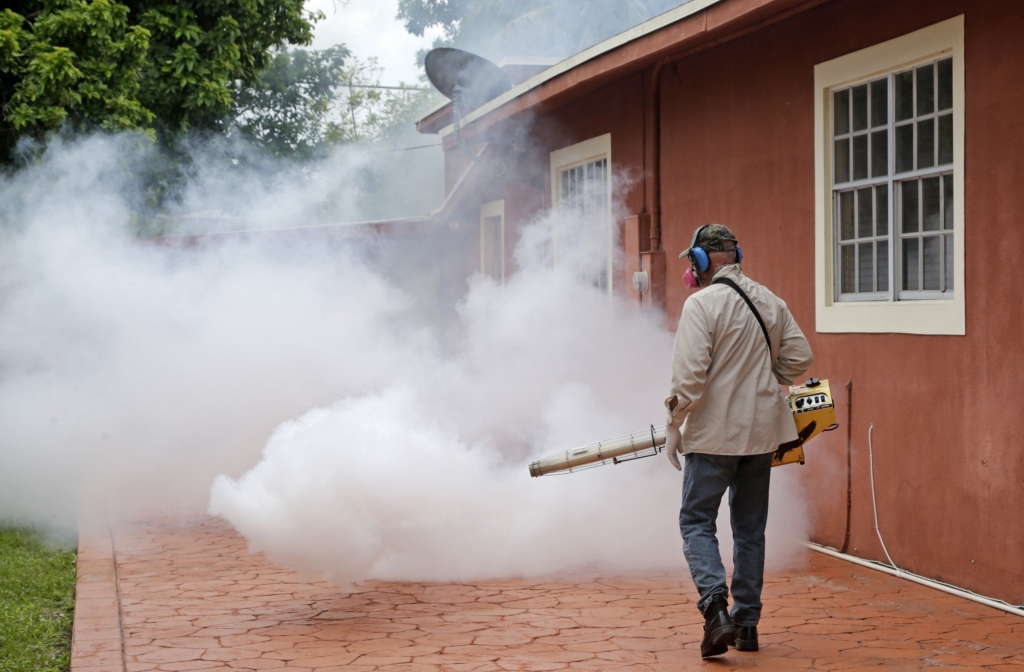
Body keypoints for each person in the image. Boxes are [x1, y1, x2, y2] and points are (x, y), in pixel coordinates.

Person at [663, 223, 813, 659]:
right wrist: (765, 381)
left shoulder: (701, 304)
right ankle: (747, 625)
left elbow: (688, 380)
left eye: (694, 260)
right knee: (750, 532)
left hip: (712, 436)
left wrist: (674, 423)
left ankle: (715, 611)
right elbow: (800, 357)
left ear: (704, 260)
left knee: (696, 522)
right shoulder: (771, 301)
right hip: (763, 434)